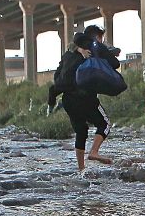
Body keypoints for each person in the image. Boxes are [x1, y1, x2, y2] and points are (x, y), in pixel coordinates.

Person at [51, 25, 120, 171]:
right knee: (105, 124)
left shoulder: (69, 53)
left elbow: (58, 75)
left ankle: (81, 169)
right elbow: (115, 64)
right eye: (100, 38)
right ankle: (94, 152)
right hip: (86, 97)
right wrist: (106, 52)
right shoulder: (96, 49)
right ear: (96, 37)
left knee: (81, 131)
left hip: (68, 99)